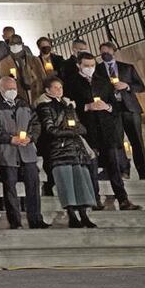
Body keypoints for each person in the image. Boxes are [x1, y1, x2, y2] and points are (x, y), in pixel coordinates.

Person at [75, 52, 142, 211]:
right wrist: (86, 107)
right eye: (86, 66)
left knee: (114, 166)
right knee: (92, 166)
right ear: (79, 65)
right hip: (88, 130)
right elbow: (70, 106)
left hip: (107, 129)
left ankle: (123, 199)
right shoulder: (73, 83)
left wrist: (108, 107)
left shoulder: (103, 82)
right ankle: (95, 199)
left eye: (92, 65)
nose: (90, 68)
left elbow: (115, 104)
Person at [35, 77, 99, 228]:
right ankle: (71, 214)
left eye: (60, 88)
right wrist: (70, 131)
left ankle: (84, 214)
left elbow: (81, 127)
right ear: (47, 90)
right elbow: (50, 129)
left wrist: (74, 129)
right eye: (55, 88)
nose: (59, 90)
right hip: (60, 150)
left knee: (81, 181)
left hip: (76, 150)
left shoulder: (68, 106)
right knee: (66, 183)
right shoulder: (45, 107)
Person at [0, 76, 48, 229]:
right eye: (9, 89)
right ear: (1, 89)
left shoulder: (23, 103)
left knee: (33, 185)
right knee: (10, 188)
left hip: (27, 151)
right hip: (7, 152)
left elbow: (35, 123)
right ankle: (15, 221)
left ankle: (36, 219)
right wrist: (9, 139)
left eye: (14, 88)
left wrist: (31, 137)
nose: (12, 91)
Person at [97, 42, 145, 179]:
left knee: (137, 141)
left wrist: (127, 86)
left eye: (107, 51)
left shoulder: (127, 67)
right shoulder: (98, 70)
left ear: (113, 51)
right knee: (118, 141)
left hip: (130, 108)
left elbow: (141, 86)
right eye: (102, 52)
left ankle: (144, 171)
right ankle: (124, 170)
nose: (104, 54)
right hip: (112, 109)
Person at [0, 35, 45, 102]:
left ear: (22, 44)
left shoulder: (34, 59)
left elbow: (43, 77)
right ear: (9, 45)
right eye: (12, 44)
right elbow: (5, 82)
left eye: (18, 43)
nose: (15, 46)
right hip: (19, 96)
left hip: (36, 93)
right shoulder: (4, 63)